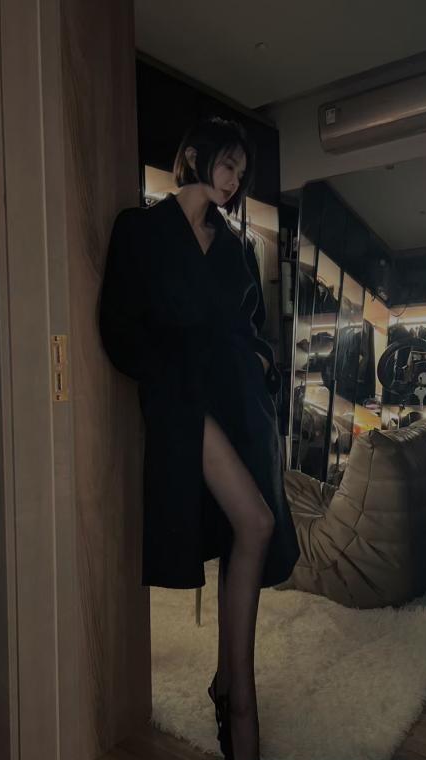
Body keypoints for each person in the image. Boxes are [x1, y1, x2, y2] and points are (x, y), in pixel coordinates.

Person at [98, 116, 300, 760]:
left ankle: (228, 682)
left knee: (251, 531)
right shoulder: (140, 229)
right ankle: (239, 697)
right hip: (182, 402)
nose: (235, 179)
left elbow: (250, 328)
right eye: (228, 163)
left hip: (238, 402)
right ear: (193, 155)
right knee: (256, 522)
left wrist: (263, 362)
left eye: (242, 171)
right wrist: (165, 374)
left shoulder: (237, 248)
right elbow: (118, 327)